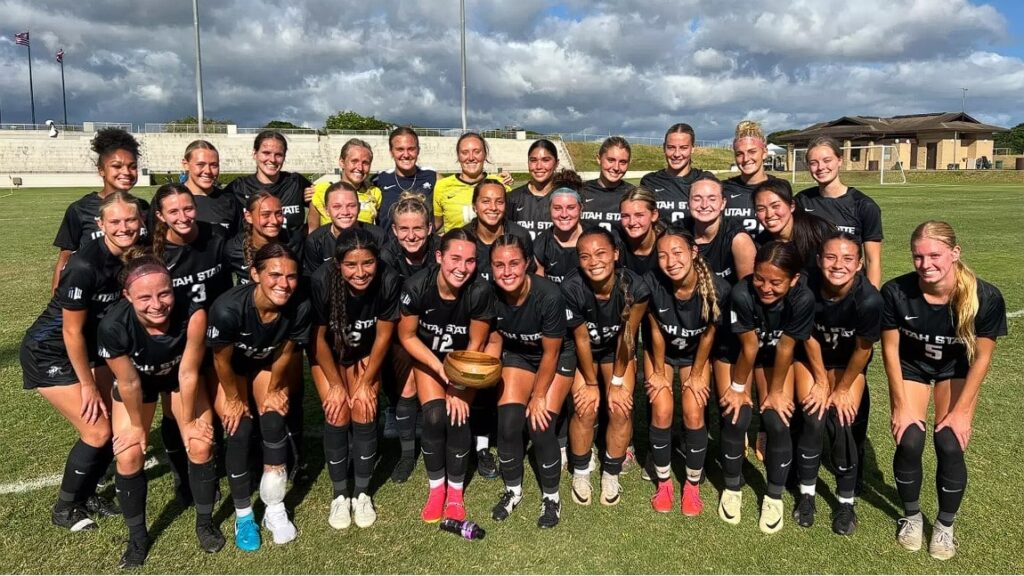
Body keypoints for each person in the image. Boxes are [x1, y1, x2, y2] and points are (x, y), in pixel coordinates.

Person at [21, 192, 144, 533]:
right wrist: (88, 384)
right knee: (97, 429)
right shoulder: (84, 264)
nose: (124, 227)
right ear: (100, 225)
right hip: (49, 351)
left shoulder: (133, 253)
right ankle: (64, 508)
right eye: (115, 222)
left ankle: (88, 495)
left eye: (130, 220)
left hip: (90, 348)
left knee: (110, 419)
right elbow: (71, 331)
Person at [883, 221, 1006, 560]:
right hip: (913, 369)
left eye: (935, 255)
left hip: (955, 369)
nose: (926, 264)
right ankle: (910, 516)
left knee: (949, 442)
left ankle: (945, 526)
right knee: (909, 437)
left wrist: (963, 412)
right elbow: (891, 350)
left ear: (954, 253)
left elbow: (981, 359)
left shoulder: (985, 296)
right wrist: (900, 405)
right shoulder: (895, 292)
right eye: (918, 257)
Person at [97, 257, 222, 567]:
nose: (157, 304)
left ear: (172, 288)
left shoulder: (193, 312)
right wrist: (138, 428)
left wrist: (191, 421)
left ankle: (204, 523)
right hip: (139, 384)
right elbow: (128, 382)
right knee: (128, 455)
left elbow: (189, 373)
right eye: (144, 297)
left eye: (164, 293)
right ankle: (138, 537)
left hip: (180, 380)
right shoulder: (113, 325)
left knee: (200, 444)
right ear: (127, 296)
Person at [207, 243, 311, 551]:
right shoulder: (227, 309)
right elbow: (221, 361)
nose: (284, 283)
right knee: (240, 428)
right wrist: (233, 398)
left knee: (274, 420)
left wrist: (276, 389)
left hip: (266, 363)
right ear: (255, 274)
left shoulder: (300, 304)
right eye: (275, 274)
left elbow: (285, 351)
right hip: (230, 370)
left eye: (291, 276)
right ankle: (244, 514)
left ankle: (275, 507)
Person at [397, 229, 496, 522]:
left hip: (465, 362)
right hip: (430, 359)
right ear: (439, 256)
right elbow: (408, 336)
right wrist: (440, 370)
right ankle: (436, 488)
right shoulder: (417, 286)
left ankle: (455, 492)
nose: (461, 268)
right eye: (455, 258)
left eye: (470, 261)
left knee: (457, 415)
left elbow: (476, 345)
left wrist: (458, 386)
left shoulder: (479, 290)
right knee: (434, 417)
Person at [790, 232, 882, 535]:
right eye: (830, 257)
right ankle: (806, 495)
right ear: (819, 260)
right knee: (814, 418)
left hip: (847, 366)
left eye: (847, 259)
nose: (837, 265)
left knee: (842, 421)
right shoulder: (805, 286)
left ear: (858, 265)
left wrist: (841, 388)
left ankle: (845, 502)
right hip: (811, 359)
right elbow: (808, 335)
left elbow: (863, 349)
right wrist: (819, 379)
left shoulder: (868, 299)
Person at [310, 228, 401, 529]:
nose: (361, 272)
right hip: (330, 354)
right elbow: (318, 340)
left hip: (366, 351)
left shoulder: (388, 278)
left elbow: (385, 335)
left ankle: (361, 493)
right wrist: (336, 384)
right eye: (351, 265)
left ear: (377, 260)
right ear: (338, 264)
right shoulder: (322, 280)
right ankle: (339, 495)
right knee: (337, 411)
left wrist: (365, 383)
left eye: (368, 263)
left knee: (363, 406)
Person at [150, 183, 233, 504]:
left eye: (188, 208)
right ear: (160, 216)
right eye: (173, 211)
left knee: (224, 407)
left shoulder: (215, 236)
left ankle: (221, 465)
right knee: (176, 414)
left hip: (219, 339)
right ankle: (182, 476)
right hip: (179, 346)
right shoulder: (156, 254)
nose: (183, 216)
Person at [726, 240, 816, 533]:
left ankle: (774, 495)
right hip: (741, 354)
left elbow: (786, 347)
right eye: (760, 278)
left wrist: (776, 392)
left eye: (776, 282)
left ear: (794, 280)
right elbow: (749, 348)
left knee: (777, 421)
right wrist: (738, 388)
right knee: (736, 415)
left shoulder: (803, 298)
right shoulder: (741, 292)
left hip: (778, 358)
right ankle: (732, 488)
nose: (765, 287)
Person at [487, 234, 574, 528]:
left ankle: (551, 497)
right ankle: (512, 490)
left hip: (555, 357)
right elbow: (495, 337)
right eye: (499, 265)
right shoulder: (491, 292)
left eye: (514, 263)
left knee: (539, 425)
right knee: (509, 423)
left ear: (527, 263)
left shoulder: (548, 295)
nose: (507, 271)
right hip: (519, 356)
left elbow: (550, 354)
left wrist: (538, 396)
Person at [643, 227, 729, 516]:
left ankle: (692, 484)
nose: (671, 261)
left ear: (693, 252)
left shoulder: (716, 287)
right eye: (663, 255)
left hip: (696, 356)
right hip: (662, 354)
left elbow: (708, 335)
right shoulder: (653, 282)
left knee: (694, 410)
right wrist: (657, 371)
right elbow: (654, 331)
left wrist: (696, 374)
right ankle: (664, 481)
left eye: (677, 252)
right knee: (662, 408)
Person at [562, 228, 650, 506]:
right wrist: (590, 384)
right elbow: (581, 339)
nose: (594, 261)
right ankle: (581, 470)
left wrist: (616, 383)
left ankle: (611, 472)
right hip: (581, 353)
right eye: (585, 256)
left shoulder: (636, 287)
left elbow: (628, 337)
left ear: (615, 254)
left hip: (617, 353)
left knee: (620, 407)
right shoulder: (571, 287)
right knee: (585, 407)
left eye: (601, 253)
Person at [379, 192, 438, 482]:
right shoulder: (386, 257)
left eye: (418, 228)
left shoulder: (441, 251)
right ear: (394, 230)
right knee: (408, 376)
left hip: (440, 327)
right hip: (403, 330)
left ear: (430, 228)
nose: (412, 235)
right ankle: (406, 453)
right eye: (404, 229)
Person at [52, 128, 149, 292]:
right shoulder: (80, 209)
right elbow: (65, 258)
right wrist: (59, 297)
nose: (126, 172)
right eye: (117, 166)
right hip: (95, 298)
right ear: (101, 170)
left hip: (133, 295)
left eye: (132, 166)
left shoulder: (144, 207)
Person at [796, 136, 884, 288]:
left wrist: (871, 297)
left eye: (827, 160)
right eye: (813, 163)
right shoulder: (801, 201)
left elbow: (872, 261)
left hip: (850, 290)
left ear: (840, 161)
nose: (820, 167)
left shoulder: (864, 206)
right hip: (811, 289)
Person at [225, 130, 311, 253]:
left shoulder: (296, 182)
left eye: (278, 154)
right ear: (255, 154)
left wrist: (307, 232)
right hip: (252, 260)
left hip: (293, 259)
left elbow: (324, 205)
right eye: (266, 153)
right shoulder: (238, 187)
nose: (272, 159)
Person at [434, 132, 513, 234]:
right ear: (458, 156)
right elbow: (435, 223)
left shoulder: (499, 184)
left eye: (477, 152)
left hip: (492, 248)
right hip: (457, 249)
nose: (471, 157)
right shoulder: (442, 186)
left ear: (485, 154)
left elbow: (510, 222)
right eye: (465, 152)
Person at [304, 181, 386, 276]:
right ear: (327, 210)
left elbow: (385, 277)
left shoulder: (378, 236)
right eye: (337, 206)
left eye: (351, 206)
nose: (345, 212)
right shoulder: (315, 241)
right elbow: (316, 281)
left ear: (359, 208)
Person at [753, 179, 834, 274]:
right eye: (761, 209)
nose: (769, 215)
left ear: (792, 206)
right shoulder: (761, 243)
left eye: (775, 206)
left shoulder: (819, 231)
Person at [461, 180, 534, 283]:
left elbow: (529, 277)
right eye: (486, 201)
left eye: (499, 202)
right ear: (474, 206)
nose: (493, 207)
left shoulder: (520, 236)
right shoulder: (462, 238)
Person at [722, 121, 787, 234]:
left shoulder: (780, 187)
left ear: (765, 152)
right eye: (739, 154)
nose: (746, 158)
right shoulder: (723, 189)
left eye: (752, 152)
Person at [688, 176, 756, 285]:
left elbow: (746, 292)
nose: (704, 205)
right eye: (697, 199)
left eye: (712, 199)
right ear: (688, 203)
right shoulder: (679, 234)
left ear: (723, 203)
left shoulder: (739, 239)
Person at [640, 123, 713, 225]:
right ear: (664, 148)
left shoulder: (704, 179)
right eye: (671, 147)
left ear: (693, 148)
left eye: (683, 148)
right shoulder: (650, 182)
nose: (677, 154)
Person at [309, 139, 383, 230]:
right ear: (342, 162)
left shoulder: (375, 193)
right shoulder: (320, 191)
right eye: (354, 161)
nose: (360, 168)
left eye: (365, 163)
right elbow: (312, 233)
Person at [373, 127, 439, 232]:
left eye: (411, 149)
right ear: (391, 152)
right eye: (400, 149)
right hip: (387, 247)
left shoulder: (432, 177)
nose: (406, 155)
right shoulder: (380, 180)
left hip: (424, 246)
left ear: (418, 150)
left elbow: (441, 215)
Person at [224, 192, 293, 285]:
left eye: (278, 214)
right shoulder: (233, 248)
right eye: (265, 215)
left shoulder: (294, 241)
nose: (274, 221)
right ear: (249, 217)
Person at [534, 171, 588, 285]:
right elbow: (541, 289)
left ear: (581, 208)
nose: (564, 214)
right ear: (549, 209)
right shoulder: (541, 244)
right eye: (557, 208)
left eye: (571, 207)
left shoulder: (594, 239)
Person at [181, 140, 239, 233]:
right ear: (186, 164)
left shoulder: (228, 201)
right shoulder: (169, 198)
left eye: (214, 165)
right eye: (200, 164)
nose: (208, 171)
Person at [506, 139, 560, 239]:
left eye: (546, 160)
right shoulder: (512, 198)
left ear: (556, 163)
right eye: (533, 160)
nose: (539, 166)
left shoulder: (564, 198)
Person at [582, 137, 635, 231]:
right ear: (599, 159)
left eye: (623, 162)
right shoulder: (581, 190)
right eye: (611, 160)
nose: (616, 167)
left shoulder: (633, 194)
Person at [615, 186, 664, 275]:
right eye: (625, 216)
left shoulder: (667, 243)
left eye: (639, 215)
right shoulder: (614, 245)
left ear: (654, 215)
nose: (632, 222)